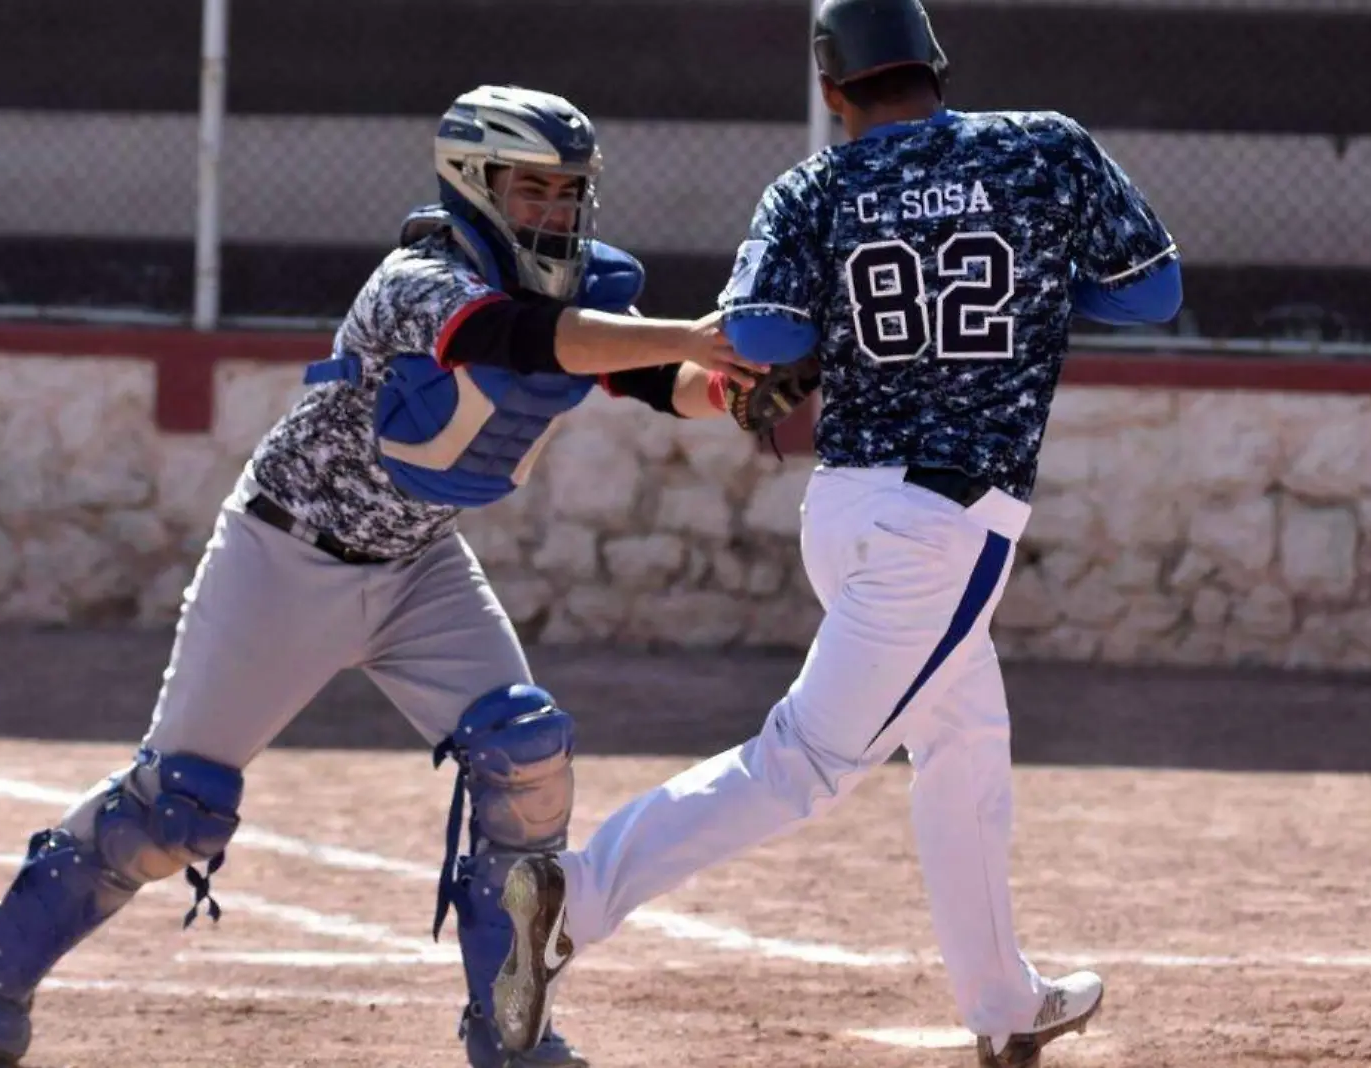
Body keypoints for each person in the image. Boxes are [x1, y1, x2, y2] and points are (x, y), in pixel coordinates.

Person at [0, 84, 761, 1068]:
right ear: (474, 184)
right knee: (176, 809)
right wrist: (693, 332)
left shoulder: (585, 291)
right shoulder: (414, 280)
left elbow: (654, 383)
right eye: (531, 189)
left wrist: (733, 384)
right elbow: (516, 341)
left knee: (527, 755)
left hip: (418, 563)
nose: (553, 211)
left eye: (567, 191)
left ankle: (508, 1029)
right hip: (285, 554)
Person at [487, 2, 1184, 1065]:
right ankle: (576, 895)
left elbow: (762, 336)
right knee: (803, 763)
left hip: (847, 508)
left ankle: (1003, 1002)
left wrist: (842, 312)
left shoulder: (815, 184)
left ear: (833, 91)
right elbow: (1155, 296)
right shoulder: (1043, 145)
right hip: (945, 525)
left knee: (964, 741)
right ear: (934, 67)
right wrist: (1032, 282)